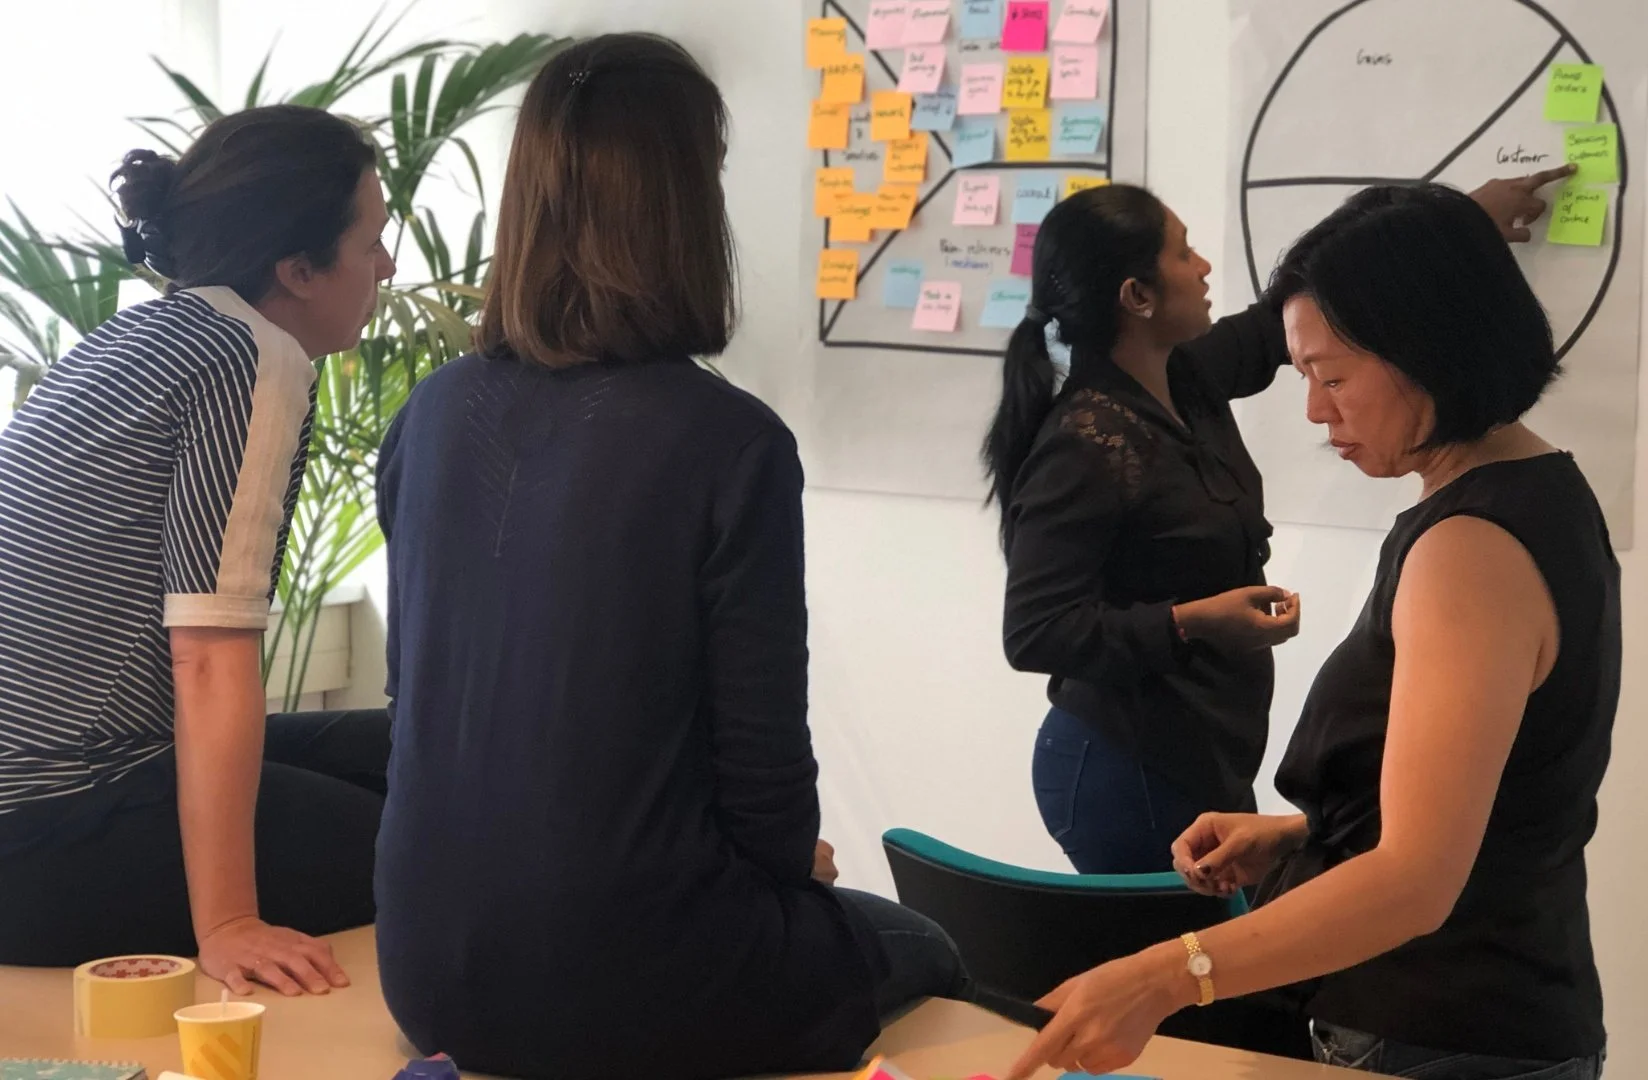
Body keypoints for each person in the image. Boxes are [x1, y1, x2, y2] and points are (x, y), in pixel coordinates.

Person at [372, 34, 969, 1080]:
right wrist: (782, 879)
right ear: (685, 205)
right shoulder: (727, 441)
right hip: (633, 977)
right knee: (923, 942)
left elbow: (420, 703)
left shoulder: (430, 415)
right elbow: (764, 769)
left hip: (425, 974)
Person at [1003, 181, 1617, 1080]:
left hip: (1446, 1025)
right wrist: (1301, 834)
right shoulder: (1531, 494)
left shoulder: (1470, 550)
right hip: (1483, 1007)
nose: (1316, 411)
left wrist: (1161, 979)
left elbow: (1415, 880)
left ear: (1429, 351)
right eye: (1305, 378)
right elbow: (1489, 801)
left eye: (1333, 378)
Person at [984, 169, 1577, 876]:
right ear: (1137, 297)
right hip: (1124, 762)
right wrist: (1193, 620)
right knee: (1185, 970)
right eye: (1183, 254)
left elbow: (1306, 306)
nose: (1205, 267)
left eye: (1330, 381)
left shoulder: (1187, 378)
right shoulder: (1086, 441)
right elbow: (1034, 631)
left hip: (1205, 747)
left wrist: (1459, 224)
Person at [0, 105, 397, 995]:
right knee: (442, 827)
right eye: (371, 241)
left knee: (418, 748)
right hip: (46, 829)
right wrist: (227, 923)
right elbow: (209, 657)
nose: (386, 266)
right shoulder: (251, 353)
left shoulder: (134, 337)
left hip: (65, 786)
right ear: (297, 269)